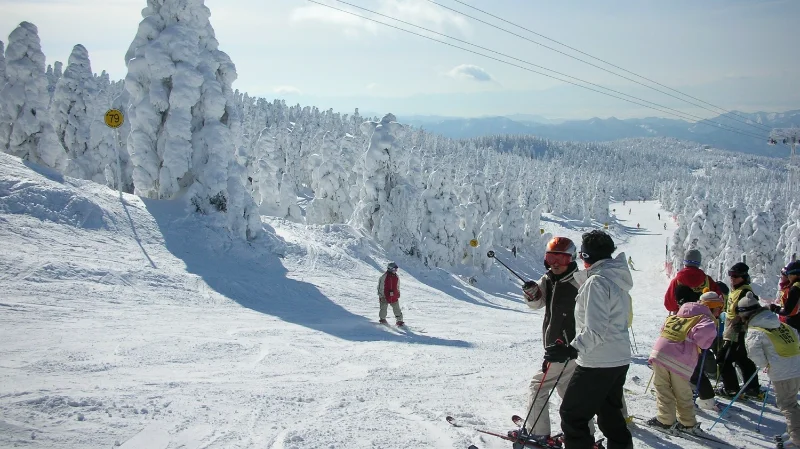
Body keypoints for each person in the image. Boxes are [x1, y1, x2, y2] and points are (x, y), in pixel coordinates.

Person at [545, 230, 633, 449]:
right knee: (610, 414)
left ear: (585, 256)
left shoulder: (597, 282)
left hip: (597, 361)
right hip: (618, 358)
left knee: (572, 415)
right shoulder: (616, 278)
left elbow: (595, 329)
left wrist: (571, 350)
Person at [520, 237, 595, 445]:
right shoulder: (549, 279)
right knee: (570, 395)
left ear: (571, 259)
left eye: (561, 259)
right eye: (551, 258)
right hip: (561, 350)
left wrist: (573, 345)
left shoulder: (579, 283)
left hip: (566, 350)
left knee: (538, 386)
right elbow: (537, 303)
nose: (555, 263)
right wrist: (532, 294)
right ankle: (583, 434)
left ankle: (537, 432)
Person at [646, 291, 717, 433]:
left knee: (663, 388)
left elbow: (663, 329)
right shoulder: (704, 318)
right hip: (682, 360)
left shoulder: (677, 316)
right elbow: (705, 337)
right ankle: (688, 422)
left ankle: (665, 420)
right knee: (683, 391)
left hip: (660, 353)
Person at [739, 293, 800, 446]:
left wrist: (766, 364)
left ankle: (797, 439)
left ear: (745, 314)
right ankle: (793, 430)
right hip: (795, 366)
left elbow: (754, 354)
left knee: (787, 405)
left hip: (782, 372)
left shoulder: (755, 330)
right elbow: (796, 337)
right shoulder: (779, 324)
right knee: (792, 401)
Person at [717, 263, 760, 398]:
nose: (732, 278)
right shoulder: (736, 290)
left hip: (738, 331)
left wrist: (741, 324)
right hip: (732, 328)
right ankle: (752, 388)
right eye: (730, 275)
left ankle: (731, 389)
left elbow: (753, 310)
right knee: (742, 358)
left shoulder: (745, 292)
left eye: (736, 276)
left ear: (744, 277)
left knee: (723, 358)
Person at [690, 290, 726, 411]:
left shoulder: (699, 314)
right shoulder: (707, 319)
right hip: (692, 351)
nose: (719, 311)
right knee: (695, 374)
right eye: (718, 308)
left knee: (695, 374)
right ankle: (703, 399)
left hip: (694, 351)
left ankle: (704, 399)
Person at [663, 249, 722, 314]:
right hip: (704, 318)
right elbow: (719, 302)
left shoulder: (676, 281)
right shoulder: (708, 280)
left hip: (682, 317)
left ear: (685, 262)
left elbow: (669, 304)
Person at [771, 261, 800, 331]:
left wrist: (774, 308)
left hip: (795, 323)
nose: (788, 277)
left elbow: (787, 311)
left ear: (795, 274)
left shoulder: (795, 288)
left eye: (788, 274)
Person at [378, 262, 403, 326]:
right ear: (390, 269)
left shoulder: (396, 276)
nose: (396, 271)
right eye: (394, 269)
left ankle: (399, 320)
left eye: (396, 269)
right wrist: (381, 295)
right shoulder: (384, 276)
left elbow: (397, 285)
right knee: (383, 308)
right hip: (385, 295)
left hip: (394, 295)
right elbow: (381, 286)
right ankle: (382, 319)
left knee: (397, 308)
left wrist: (398, 292)